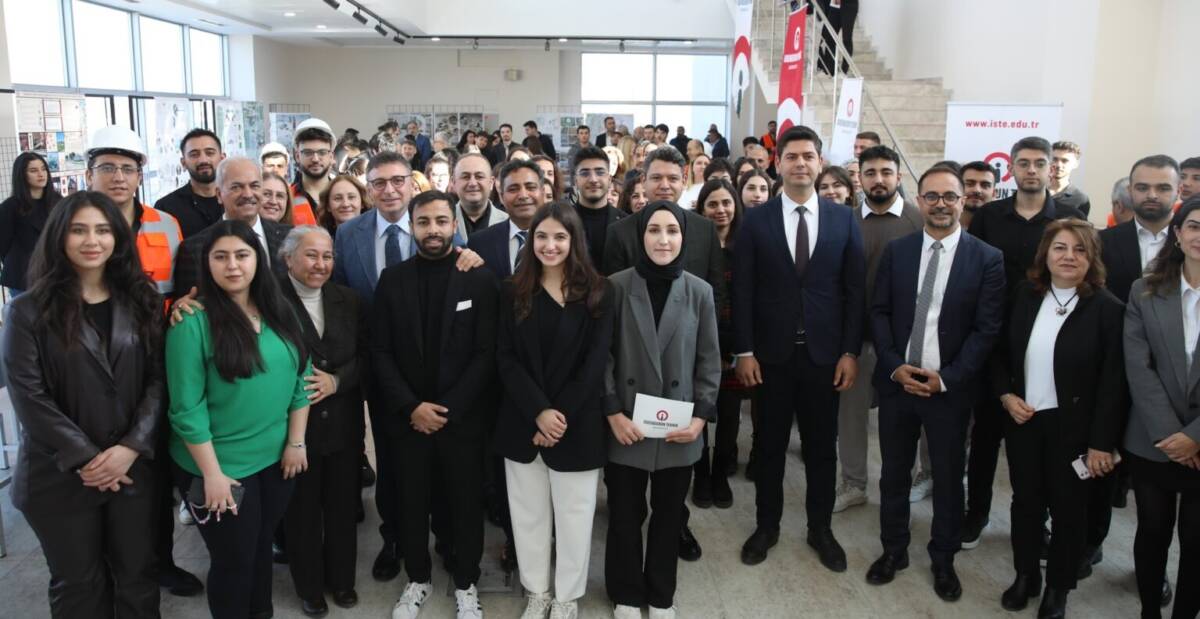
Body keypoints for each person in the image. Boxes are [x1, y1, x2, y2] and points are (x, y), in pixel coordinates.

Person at [4, 191, 165, 618]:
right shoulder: (27, 311)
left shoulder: (142, 299)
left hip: (131, 469)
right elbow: (30, 398)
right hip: (58, 474)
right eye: (79, 230)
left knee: (137, 577)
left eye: (102, 230)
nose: (92, 240)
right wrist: (90, 459)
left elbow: (158, 380)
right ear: (59, 237)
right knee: (79, 584)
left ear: (117, 237)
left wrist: (130, 447)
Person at [866, 165, 1005, 602]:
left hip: (949, 391)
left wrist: (947, 379)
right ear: (919, 200)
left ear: (963, 201)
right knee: (893, 474)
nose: (941, 204)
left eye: (949, 196)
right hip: (898, 384)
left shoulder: (987, 258)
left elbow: (987, 330)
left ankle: (943, 558)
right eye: (932, 196)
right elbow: (879, 312)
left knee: (947, 478)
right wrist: (894, 366)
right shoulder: (899, 251)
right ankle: (893, 550)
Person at [734, 125, 865, 572]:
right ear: (778, 163)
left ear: (820, 162)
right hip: (770, 357)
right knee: (769, 446)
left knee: (821, 450)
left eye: (808, 156)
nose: (801, 164)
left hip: (824, 358)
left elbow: (854, 293)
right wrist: (744, 350)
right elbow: (743, 291)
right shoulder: (757, 220)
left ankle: (820, 529)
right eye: (791, 156)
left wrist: (850, 352)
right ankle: (766, 526)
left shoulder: (844, 220)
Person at [166, 219, 311, 619]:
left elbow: (301, 380)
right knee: (233, 562)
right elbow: (187, 410)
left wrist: (296, 441)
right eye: (221, 257)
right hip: (221, 467)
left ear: (258, 260)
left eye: (242, 255)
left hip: (276, 459)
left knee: (260, 550)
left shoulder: (279, 310)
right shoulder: (192, 322)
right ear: (206, 264)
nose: (232, 265)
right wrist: (211, 474)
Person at [987, 219, 1123, 617]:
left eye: (1080, 249)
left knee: (1069, 512)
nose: (1069, 257)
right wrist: (1006, 395)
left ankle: (1058, 589)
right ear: (1045, 254)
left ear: (1092, 258)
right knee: (1026, 504)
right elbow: (998, 353)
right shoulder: (1025, 295)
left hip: (1076, 431)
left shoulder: (1108, 309)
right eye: (1060, 247)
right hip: (1024, 420)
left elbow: (1114, 385)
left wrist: (1101, 444)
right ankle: (1026, 575)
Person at [370, 191, 497, 619]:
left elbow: (485, 352)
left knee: (465, 504)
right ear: (411, 227)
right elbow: (380, 351)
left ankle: (466, 583)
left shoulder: (479, 278)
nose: (433, 230)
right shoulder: (393, 280)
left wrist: (448, 409)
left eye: (441, 221)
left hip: (462, 419)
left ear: (454, 224)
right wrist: (411, 407)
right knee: (410, 502)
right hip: (409, 420)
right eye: (423, 222)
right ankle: (418, 578)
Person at [962, 136, 1086, 548]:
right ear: (1011, 168)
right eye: (1023, 163)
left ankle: (1037, 519)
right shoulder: (989, 216)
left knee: (1041, 441)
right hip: (992, 340)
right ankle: (976, 512)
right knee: (984, 438)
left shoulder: (1069, 217)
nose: (1031, 170)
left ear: (1051, 168)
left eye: (1039, 163)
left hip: (1047, 343)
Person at [495, 202, 614, 619]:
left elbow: (594, 364)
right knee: (527, 516)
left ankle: (566, 596)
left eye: (560, 237)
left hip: (576, 424)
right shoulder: (512, 290)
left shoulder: (599, 291)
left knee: (575, 517)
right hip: (522, 421)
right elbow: (505, 358)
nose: (550, 245)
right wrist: (539, 412)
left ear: (574, 240)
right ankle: (537, 591)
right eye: (541, 236)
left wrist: (556, 416)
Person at [605, 201, 721, 619]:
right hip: (627, 425)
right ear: (641, 236)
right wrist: (613, 413)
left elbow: (709, 360)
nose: (663, 239)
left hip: (679, 428)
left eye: (672, 230)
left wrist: (700, 418)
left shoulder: (699, 291)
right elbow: (603, 358)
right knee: (624, 514)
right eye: (654, 230)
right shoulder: (615, 287)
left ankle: (660, 594)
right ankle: (625, 592)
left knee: (669, 515)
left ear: (683, 237)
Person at [278, 226, 364, 616]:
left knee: (343, 507)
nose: (321, 264)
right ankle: (309, 587)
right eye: (311, 255)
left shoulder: (349, 299)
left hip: (344, 424)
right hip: (294, 431)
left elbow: (368, 355)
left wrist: (337, 380)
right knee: (302, 513)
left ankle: (343, 581)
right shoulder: (268, 300)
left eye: (327, 256)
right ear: (288, 258)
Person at [832, 157, 924, 515]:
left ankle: (899, 488)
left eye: (886, 172)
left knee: (902, 422)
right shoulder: (847, 220)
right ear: (861, 179)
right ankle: (853, 483)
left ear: (898, 176)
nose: (879, 179)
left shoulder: (918, 220)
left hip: (904, 344)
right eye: (870, 173)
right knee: (851, 416)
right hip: (856, 340)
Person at [1123, 197, 1200, 619]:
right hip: (1154, 439)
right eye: (1195, 226)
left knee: (1197, 540)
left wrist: (1194, 436)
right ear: (1178, 233)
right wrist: (1172, 434)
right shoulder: (1145, 290)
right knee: (1152, 531)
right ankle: (1149, 611)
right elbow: (1139, 367)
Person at [692, 178, 748, 509]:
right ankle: (700, 474)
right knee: (697, 411)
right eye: (712, 204)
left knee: (729, 415)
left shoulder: (746, 245)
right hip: (697, 345)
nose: (720, 210)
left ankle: (719, 475)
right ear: (701, 210)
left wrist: (733, 348)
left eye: (726, 203)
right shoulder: (692, 245)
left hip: (734, 346)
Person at [172, 157, 291, 298]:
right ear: (219, 194)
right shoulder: (194, 249)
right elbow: (188, 303)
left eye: (254, 186)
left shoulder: (289, 237)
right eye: (236, 187)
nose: (248, 194)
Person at [0, 152, 61, 296]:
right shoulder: (10, 207)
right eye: (33, 170)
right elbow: (2, 245)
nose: (41, 174)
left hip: (54, 273)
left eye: (43, 169)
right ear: (22, 175)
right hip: (22, 276)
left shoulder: (58, 201)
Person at [156, 128, 227, 239]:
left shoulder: (235, 199)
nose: (203, 160)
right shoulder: (166, 208)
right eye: (194, 155)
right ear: (183, 163)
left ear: (222, 159)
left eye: (209, 153)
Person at [569, 146, 625, 269]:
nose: (593, 179)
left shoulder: (625, 222)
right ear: (576, 181)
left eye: (600, 172)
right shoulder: (563, 220)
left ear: (609, 179)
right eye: (585, 173)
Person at [290, 118, 335, 226]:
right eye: (308, 152)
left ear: (331, 156)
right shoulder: (288, 197)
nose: (315, 159)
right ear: (297, 156)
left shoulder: (344, 195)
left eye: (322, 152)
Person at [453, 153, 508, 238]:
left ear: (491, 182)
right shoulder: (442, 222)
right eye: (465, 177)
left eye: (479, 176)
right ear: (454, 182)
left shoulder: (509, 224)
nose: (472, 183)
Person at [1050, 141, 1092, 217]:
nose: (1058, 165)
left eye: (1064, 161)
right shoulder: (1035, 190)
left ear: (1076, 164)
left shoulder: (1080, 199)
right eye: (1055, 159)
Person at [959, 161, 998, 230]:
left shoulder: (1002, 230)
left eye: (985, 185)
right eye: (969, 184)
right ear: (957, 188)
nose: (977, 190)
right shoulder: (942, 225)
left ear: (994, 193)